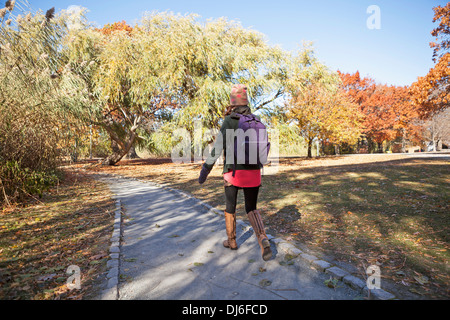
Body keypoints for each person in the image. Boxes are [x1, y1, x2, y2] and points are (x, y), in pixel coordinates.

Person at [198, 84, 272, 261]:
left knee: (230, 207)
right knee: (251, 208)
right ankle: (263, 238)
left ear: (232, 103)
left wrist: (205, 170)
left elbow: (217, 148)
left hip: (234, 173)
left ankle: (231, 241)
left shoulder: (230, 120)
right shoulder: (257, 120)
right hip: (254, 172)